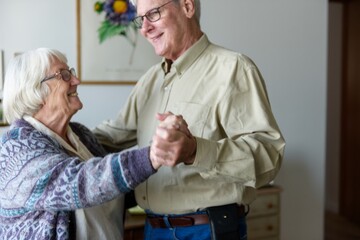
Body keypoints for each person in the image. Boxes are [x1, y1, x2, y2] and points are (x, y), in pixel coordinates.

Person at [93, 0, 286, 239]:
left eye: (153, 14)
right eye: (140, 19)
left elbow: (269, 156)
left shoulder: (233, 69)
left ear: (187, 6)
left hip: (207, 230)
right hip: (152, 229)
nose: (144, 29)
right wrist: (56, 134)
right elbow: (113, 135)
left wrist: (195, 151)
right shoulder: (150, 80)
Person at [0, 48, 190, 240]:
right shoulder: (15, 148)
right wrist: (153, 156)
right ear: (36, 91)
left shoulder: (79, 135)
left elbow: (111, 189)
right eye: (64, 75)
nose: (76, 81)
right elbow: (80, 183)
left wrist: (173, 153)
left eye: (71, 72)